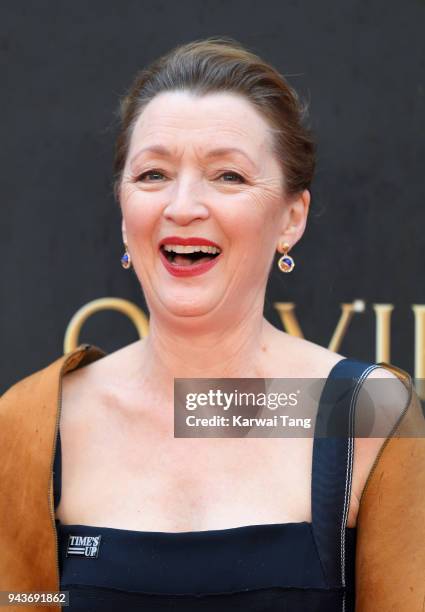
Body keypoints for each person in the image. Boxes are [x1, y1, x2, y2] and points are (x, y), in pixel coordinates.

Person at [1, 36, 424, 612]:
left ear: (291, 218)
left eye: (228, 176)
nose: (183, 206)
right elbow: (21, 599)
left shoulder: (367, 412)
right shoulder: (30, 423)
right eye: (153, 175)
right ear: (124, 215)